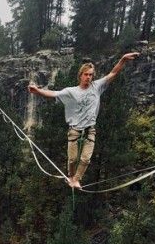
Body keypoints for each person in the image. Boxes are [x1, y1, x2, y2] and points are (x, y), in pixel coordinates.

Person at [28, 53, 139, 188]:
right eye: (86, 74)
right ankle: (70, 176)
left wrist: (123, 60)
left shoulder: (97, 87)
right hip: (75, 129)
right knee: (73, 159)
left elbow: (113, 74)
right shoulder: (71, 91)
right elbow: (53, 93)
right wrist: (37, 91)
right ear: (80, 75)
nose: (88, 77)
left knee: (85, 159)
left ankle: (76, 179)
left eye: (91, 75)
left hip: (90, 130)